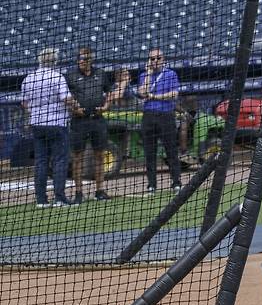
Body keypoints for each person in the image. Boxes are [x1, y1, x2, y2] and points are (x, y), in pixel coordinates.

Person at [66, 47, 130, 204]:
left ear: (90, 60)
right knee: (77, 157)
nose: (82, 61)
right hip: (79, 120)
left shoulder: (100, 74)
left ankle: (100, 191)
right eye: (80, 59)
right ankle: (79, 193)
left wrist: (106, 106)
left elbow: (108, 93)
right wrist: (74, 109)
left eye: (85, 59)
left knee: (100, 155)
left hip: (97, 118)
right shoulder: (71, 75)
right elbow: (65, 96)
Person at [20, 48, 78, 207]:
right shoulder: (57, 76)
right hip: (56, 123)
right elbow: (66, 98)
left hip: (37, 124)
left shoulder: (28, 78)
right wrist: (77, 108)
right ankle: (59, 198)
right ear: (54, 61)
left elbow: (24, 103)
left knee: (41, 161)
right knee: (60, 160)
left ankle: (41, 200)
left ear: (40, 60)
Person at [137, 48, 182, 193]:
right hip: (149, 116)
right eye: (152, 59)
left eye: (158, 58)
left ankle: (176, 182)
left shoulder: (170, 74)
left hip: (166, 115)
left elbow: (174, 94)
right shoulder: (144, 75)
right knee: (150, 152)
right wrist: (149, 74)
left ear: (163, 59)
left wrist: (156, 97)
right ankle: (152, 185)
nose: (155, 61)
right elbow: (142, 93)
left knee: (171, 151)